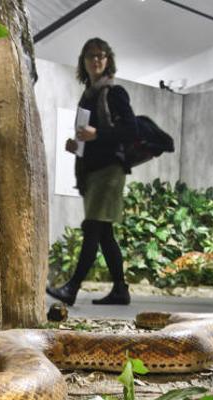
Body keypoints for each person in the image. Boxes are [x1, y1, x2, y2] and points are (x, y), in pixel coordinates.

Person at [46, 38, 138, 306]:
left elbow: (131, 130)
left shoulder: (114, 92)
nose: (96, 60)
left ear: (108, 60)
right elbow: (91, 139)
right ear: (83, 62)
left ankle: (72, 288)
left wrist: (96, 133)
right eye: (90, 56)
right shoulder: (88, 96)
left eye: (100, 55)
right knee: (105, 234)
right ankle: (120, 290)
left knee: (92, 228)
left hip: (109, 172)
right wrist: (78, 145)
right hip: (93, 172)